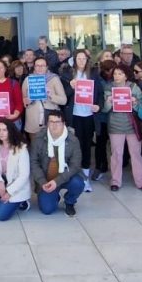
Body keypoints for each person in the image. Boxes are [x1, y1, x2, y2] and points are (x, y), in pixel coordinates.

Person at [59, 49, 101, 192]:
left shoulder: (94, 75)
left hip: (88, 115)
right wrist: (71, 87)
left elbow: (99, 94)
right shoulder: (68, 75)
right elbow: (64, 97)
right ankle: (74, 177)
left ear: (87, 60)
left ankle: (86, 178)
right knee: (73, 147)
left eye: (84, 59)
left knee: (86, 146)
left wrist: (98, 106)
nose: (81, 61)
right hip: (74, 115)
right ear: (74, 60)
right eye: (79, 58)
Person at [103, 65, 142, 192]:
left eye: (120, 74)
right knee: (116, 154)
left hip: (131, 125)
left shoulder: (134, 87)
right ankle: (115, 182)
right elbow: (105, 109)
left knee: (136, 154)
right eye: (115, 73)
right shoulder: (109, 87)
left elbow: (141, 108)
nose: (116, 76)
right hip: (115, 125)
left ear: (126, 75)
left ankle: (141, 182)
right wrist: (108, 102)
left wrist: (135, 103)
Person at [29, 110, 85, 216]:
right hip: (46, 179)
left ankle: (69, 202)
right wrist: (42, 182)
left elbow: (75, 166)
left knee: (78, 183)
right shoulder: (38, 139)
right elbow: (34, 162)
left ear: (64, 124)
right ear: (47, 124)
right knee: (47, 210)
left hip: (65, 177)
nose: (54, 125)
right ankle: (55, 196)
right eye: (51, 122)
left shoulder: (73, 140)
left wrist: (57, 182)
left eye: (57, 122)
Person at [21, 56, 67, 142]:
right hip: (33, 119)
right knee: (35, 145)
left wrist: (50, 95)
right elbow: (23, 101)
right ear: (34, 67)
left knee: (51, 145)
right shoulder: (28, 80)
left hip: (50, 117)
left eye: (42, 65)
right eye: (37, 65)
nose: (40, 68)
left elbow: (63, 100)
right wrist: (28, 100)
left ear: (47, 67)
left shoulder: (54, 79)